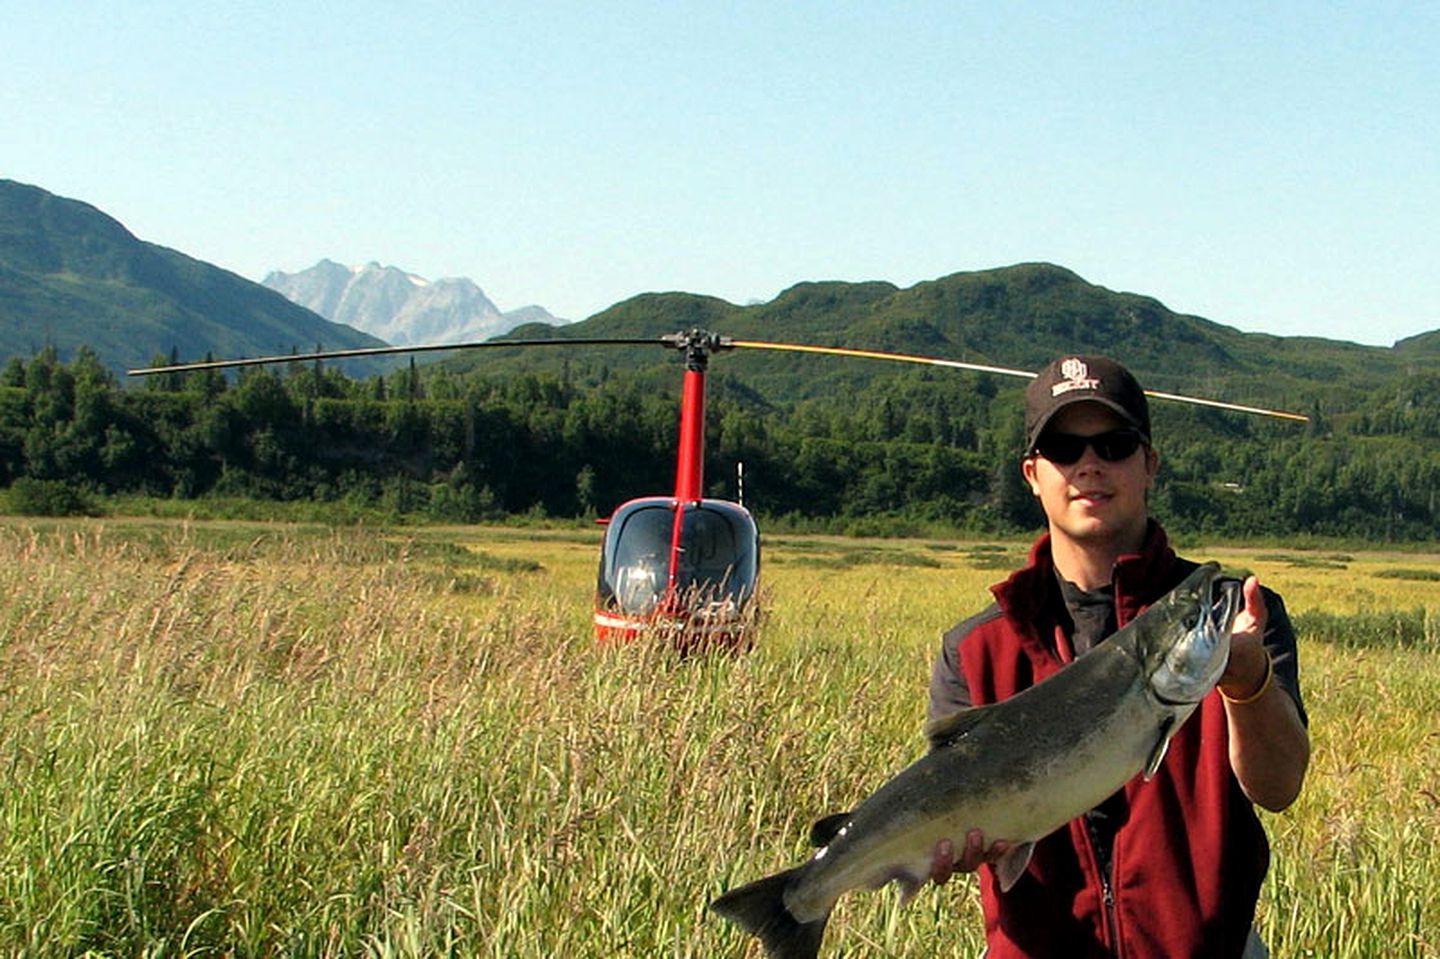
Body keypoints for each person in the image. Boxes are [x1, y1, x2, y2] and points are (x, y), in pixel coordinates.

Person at [926, 355, 1310, 958]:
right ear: (1032, 473)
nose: (1089, 465)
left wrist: (1247, 680)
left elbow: (1278, 786)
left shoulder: (1235, 616)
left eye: (1114, 444)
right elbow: (947, 799)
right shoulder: (976, 649)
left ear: (1149, 463)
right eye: (1063, 447)